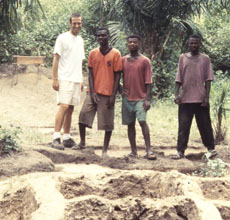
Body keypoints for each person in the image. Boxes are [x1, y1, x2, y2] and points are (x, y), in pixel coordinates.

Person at [74, 28, 122, 157]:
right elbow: (90, 74)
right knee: (83, 116)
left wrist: (113, 95)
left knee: (107, 123)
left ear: (108, 36)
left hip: (107, 93)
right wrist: (93, 91)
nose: (101, 37)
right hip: (93, 92)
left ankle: (105, 150)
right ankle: (82, 142)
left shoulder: (116, 54)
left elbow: (118, 75)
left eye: (103, 35)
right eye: (99, 35)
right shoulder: (93, 53)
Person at [172, 34, 217, 159]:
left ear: (200, 44)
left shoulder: (205, 59)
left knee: (205, 125)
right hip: (185, 99)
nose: (193, 45)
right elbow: (178, 78)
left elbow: (208, 80)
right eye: (191, 43)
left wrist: (207, 98)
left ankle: (211, 148)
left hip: (200, 99)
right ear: (188, 43)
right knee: (183, 126)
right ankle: (180, 151)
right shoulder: (183, 57)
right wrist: (176, 95)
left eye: (196, 43)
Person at [51, 13, 84, 150]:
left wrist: (81, 79)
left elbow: (80, 61)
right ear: (70, 23)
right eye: (74, 23)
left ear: (81, 24)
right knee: (64, 106)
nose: (76, 25)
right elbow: (56, 59)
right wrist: (55, 78)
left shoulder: (81, 40)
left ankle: (67, 137)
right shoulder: (62, 38)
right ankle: (56, 137)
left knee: (71, 108)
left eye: (79, 23)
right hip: (64, 78)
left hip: (76, 79)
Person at [121, 35, 156, 160]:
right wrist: (120, 88)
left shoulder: (145, 61)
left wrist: (147, 99)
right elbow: (116, 75)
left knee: (142, 121)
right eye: (130, 42)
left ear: (138, 44)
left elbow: (149, 82)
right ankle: (133, 151)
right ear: (127, 44)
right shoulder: (123, 60)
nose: (132, 44)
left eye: (134, 42)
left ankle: (149, 150)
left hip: (140, 97)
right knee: (130, 124)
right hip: (127, 98)